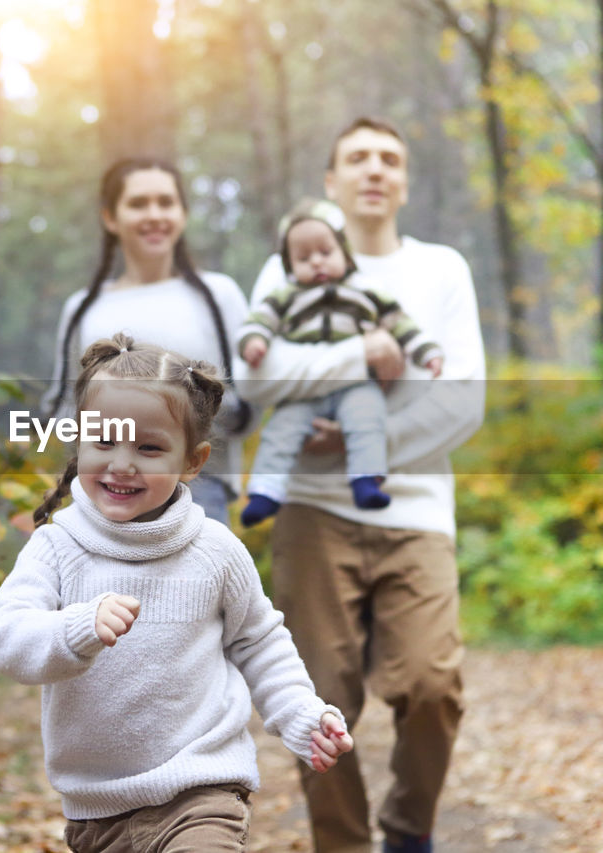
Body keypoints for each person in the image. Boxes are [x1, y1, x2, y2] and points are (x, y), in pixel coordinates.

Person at [0, 333, 355, 852]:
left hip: (201, 788)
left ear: (193, 460)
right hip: (98, 810)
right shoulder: (57, 547)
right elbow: (6, 638)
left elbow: (257, 641)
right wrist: (76, 627)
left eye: (149, 448)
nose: (122, 463)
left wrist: (297, 711)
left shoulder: (214, 551)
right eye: (104, 441)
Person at [235, 117, 487, 853]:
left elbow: (462, 400)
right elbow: (256, 373)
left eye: (389, 159)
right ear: (331, 181)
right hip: (310, 510)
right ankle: (342, 844)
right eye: (357, 158)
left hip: (415, 510)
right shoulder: (294, 257)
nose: (374, 169)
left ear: (403, 181)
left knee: (433, 687)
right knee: (319, 702)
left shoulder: (442, 269)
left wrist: (356, 443)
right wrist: (358, 354)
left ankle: (410, 830)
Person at [42, 158, 251, 524]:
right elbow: (63, 409)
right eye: (138, 204)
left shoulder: (220, 296)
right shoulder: (84, 308)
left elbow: (248, 401)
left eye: (166, 202)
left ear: (183, 214)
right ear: (110, 217)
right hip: (107, 492)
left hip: (200, 495)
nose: (154, 214)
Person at [237, 197, 444, 527]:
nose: (316, 262)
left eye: (325, 252)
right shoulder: (285, 295)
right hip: (302, 391)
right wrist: (255, 342)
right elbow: (258, 321)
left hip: (358, 385)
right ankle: (265, 492)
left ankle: (366, 481)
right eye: (303, 258)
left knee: (367, 422)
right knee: (280, 431)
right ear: (289, 266)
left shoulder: (368, 288)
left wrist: (427, 352)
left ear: (344, 254)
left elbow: (400, 323)